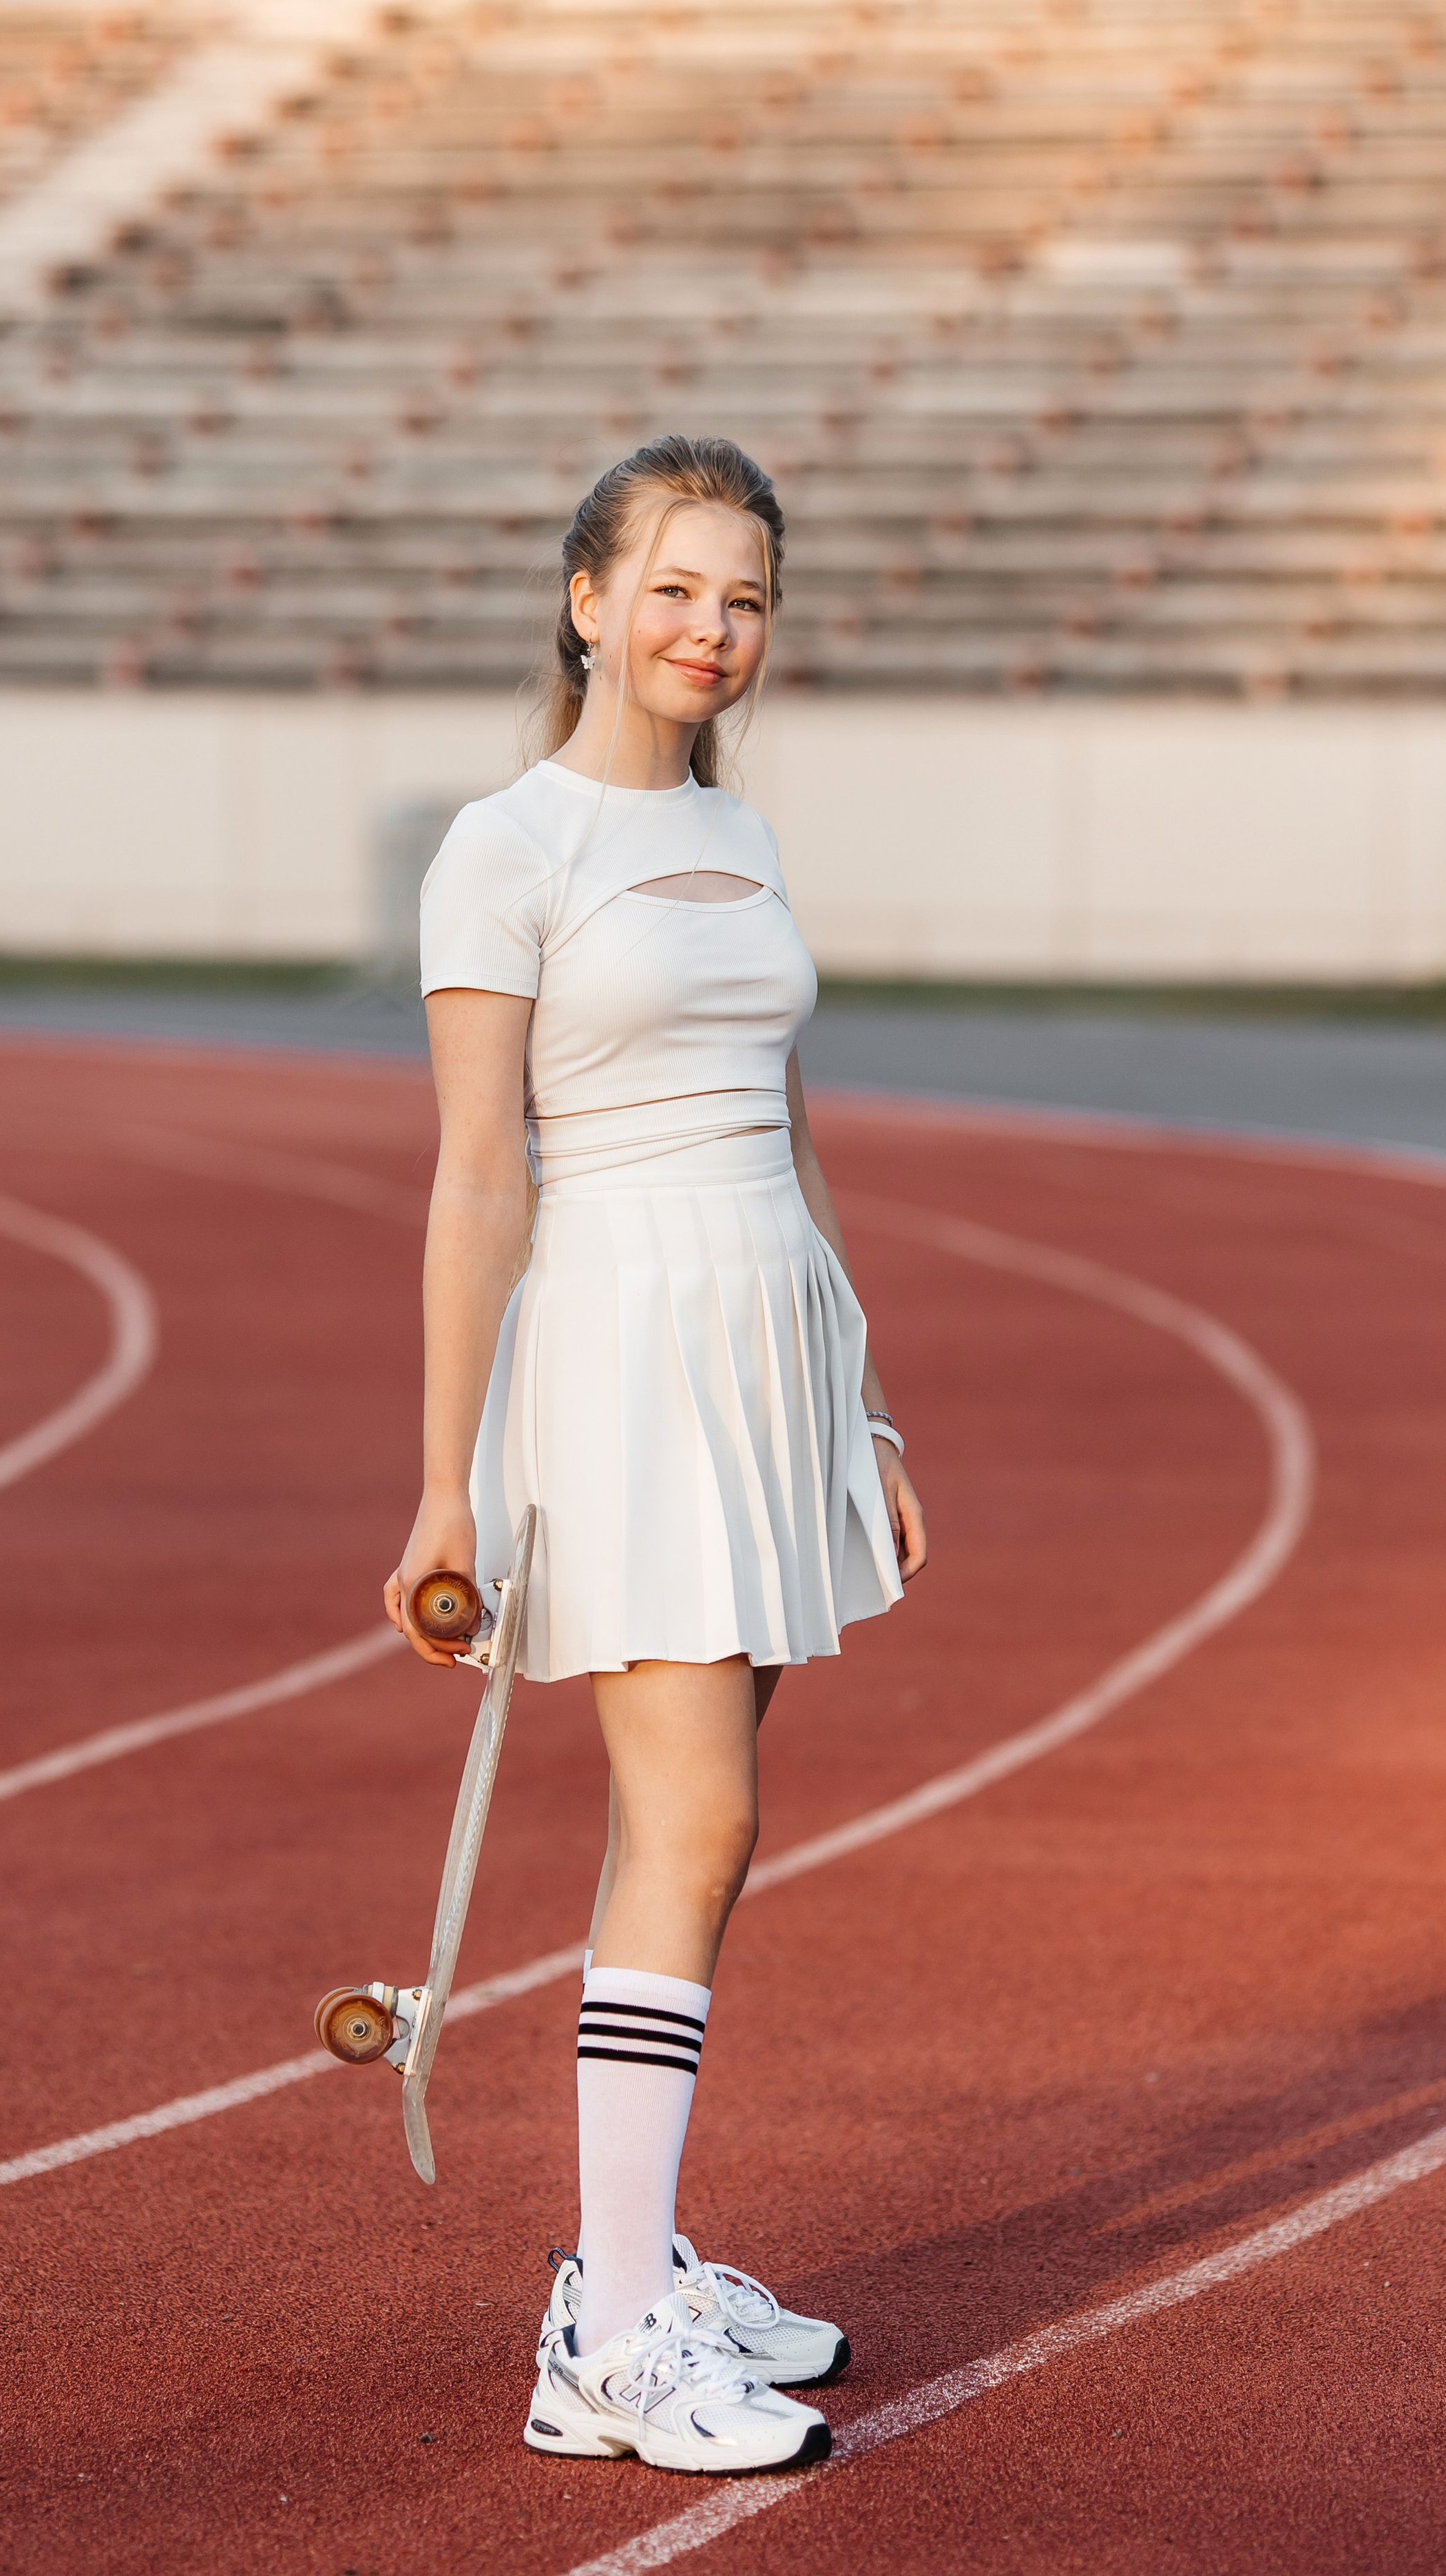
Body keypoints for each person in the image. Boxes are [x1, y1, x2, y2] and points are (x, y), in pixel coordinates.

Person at [384, 433, 925, 2475]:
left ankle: (629, 2264)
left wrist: (861, 1402)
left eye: (748, 598)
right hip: (620, 1351)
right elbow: (475, 1179)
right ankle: (611, 2338)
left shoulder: (747, 834)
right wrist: (447, 1485)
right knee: (697, 1823)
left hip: (767, 1347)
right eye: (678, 589)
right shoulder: (505, 846)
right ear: (590, 602)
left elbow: (790, 1125)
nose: (714, 629)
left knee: (689, 1826)